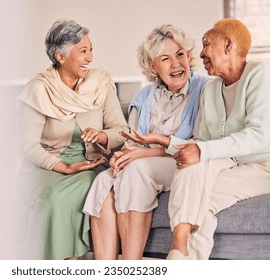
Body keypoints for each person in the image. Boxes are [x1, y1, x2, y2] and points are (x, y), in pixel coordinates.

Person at [123, 18, 270, 260]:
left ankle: (178, 252)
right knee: (199, 188)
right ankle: (183, 255)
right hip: (242, 165)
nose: (200, 54)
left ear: (228, 45)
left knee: (199, 186)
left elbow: (258, 135)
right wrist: (166, 141)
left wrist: (200, 151)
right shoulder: (211, 90)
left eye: (206, 44)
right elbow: (202, 142)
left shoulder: (260, 76)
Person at [82, 24, 212, 260]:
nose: (176, 64)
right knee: (104, 180)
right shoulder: (143, 97)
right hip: (146, 163)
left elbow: (198, 144)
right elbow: (131, 142)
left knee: (136, 171)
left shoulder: (205, 89)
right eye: (166, 58)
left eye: (180, 55)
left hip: (183, 162)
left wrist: (140, 155)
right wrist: (122, 156)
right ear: (153, 66)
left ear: (189, 56)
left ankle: (132, 266)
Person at [17, 19, 128, 260]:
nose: (90, 58)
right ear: (60, 57)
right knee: (51, 198)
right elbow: (28, 145)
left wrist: (102, 136)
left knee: (86, 187)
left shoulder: (101, 83)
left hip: (92, 165)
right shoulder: (39, 89)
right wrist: (64, 167)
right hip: (48, 165)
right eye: (83, 51)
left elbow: (121, 129)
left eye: (91, 49)